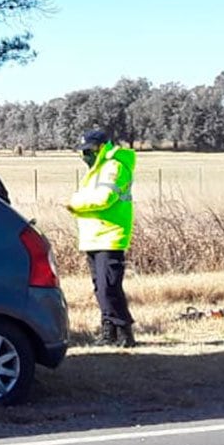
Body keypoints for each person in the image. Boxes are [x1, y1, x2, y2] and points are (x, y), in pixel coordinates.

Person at [67, 129, 137, 347]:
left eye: (89, 150)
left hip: (110, 235)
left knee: (109, 287)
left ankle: (124, 332)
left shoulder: (113, 167)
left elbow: (104, 198)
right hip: (93, 236)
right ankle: (109, 330)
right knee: (101, 288)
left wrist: (75, 204)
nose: (85, 154)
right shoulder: (95, 170)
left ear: (101, 147)